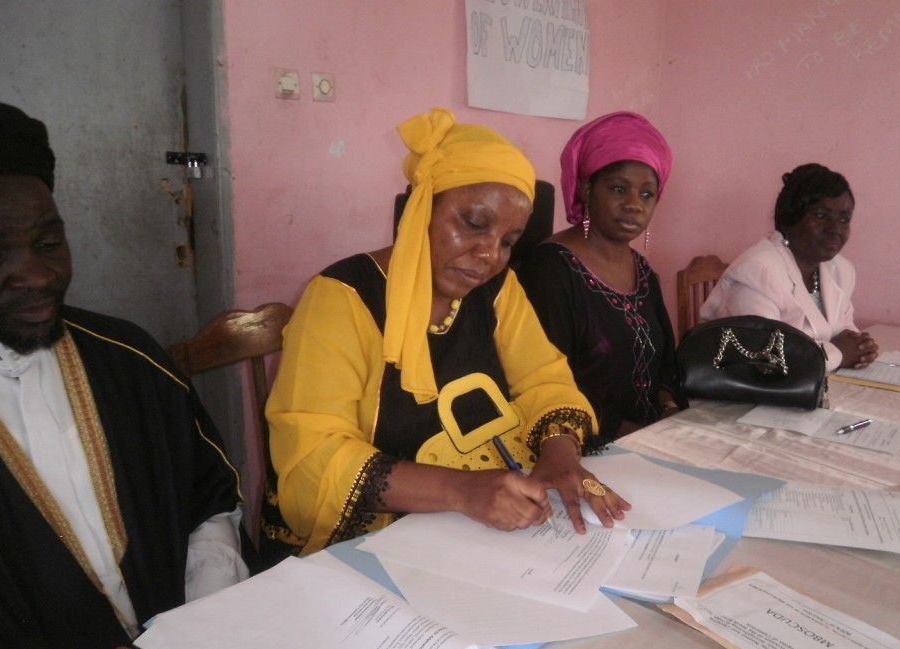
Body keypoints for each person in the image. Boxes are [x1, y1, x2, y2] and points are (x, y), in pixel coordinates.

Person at [0, 100, 249, 649]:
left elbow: (208, 500)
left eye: (49, 241)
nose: (36, 275)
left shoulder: (129, 358)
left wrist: (201, 627)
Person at [265, 107, 628, 555]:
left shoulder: (496, 288)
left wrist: (559, 453)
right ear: (422, 207)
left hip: (474, 530)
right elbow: (313, 456)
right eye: (474, 223)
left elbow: (544, 377)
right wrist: (462, 491)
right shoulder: (341, 298)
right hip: (370, 541)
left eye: (508, 241)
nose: (489, 255)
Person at [514, 112, 685, 446]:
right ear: (587, 188)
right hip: (577, 447)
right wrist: (631, 436)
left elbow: (666, 362)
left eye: (647, 194)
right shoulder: (549, 269)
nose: (634, 205)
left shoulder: (643, 270)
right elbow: (546, 383)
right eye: (619, 189)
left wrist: (668, 409)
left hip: (648, 444)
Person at [699, 163, 878, 370]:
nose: (835, 229)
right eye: (821, 216)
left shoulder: (840, 270)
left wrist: (860, 345)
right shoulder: (758, 271)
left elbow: (842, 328)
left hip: (805, 387)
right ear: (789, 218)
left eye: (844, 219)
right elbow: (764, 357)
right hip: (741, 392)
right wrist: (838, 353)